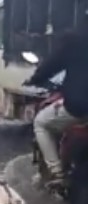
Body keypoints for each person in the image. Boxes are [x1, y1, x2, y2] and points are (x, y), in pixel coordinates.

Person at [26, 26, 88, 191]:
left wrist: (34, 79)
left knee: (41, 123)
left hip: (79, 106)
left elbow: (52, 65)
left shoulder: (74, 38)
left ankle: (57, 174)